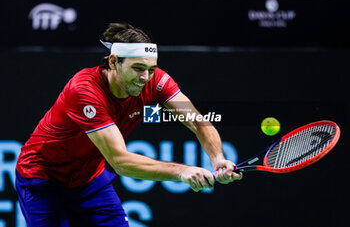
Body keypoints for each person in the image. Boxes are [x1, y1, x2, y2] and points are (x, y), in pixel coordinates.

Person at [16, 22, 242, 227]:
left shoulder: (156, 82)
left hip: (88, 181)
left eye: (151, 70)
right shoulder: (84, 91)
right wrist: (182, 172)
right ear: (114, 62)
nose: (145, 77)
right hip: (43, 179)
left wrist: (218, 158)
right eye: (137, 68)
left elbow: (198, 122)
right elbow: (121, 161)